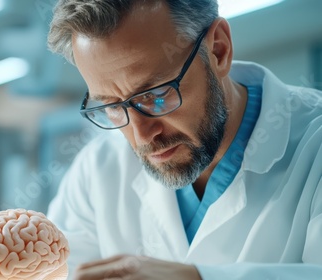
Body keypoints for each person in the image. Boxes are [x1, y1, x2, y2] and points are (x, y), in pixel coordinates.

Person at [46, 0, 322, 279]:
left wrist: (196, 277)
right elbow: (57, 271)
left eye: (155, 94)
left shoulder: (315, 143)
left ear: (218, 49)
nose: (142, 136)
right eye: (114, 107)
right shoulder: (97, 169)